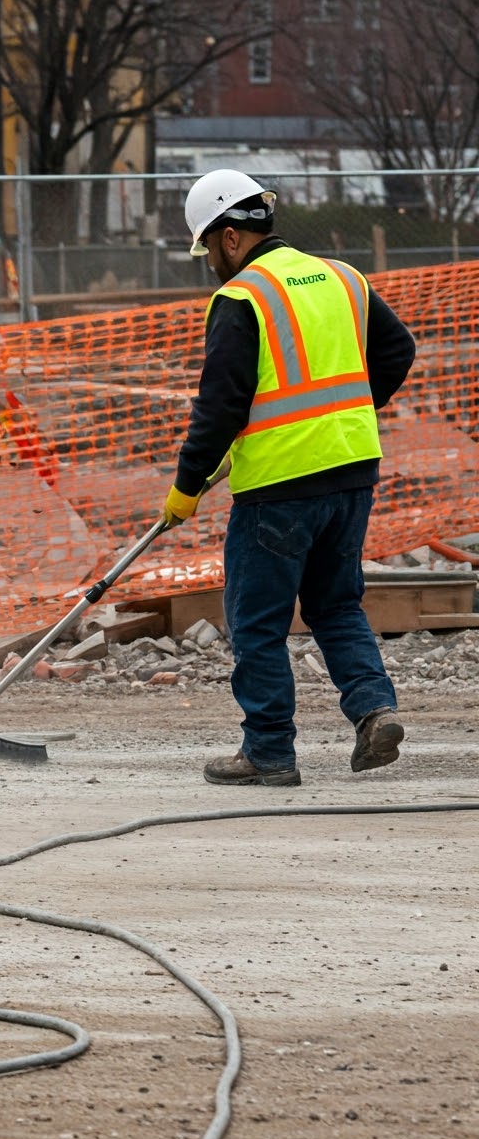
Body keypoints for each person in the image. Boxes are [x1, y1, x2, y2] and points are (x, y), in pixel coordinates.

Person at [162, 169, 415, 787]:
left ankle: (270, 752)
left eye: (207, 251)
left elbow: (219, 404)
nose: (210, 266)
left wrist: (187, 485)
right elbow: (397, 350)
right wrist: (343, 419)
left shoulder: (243, 297)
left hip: (279, 486)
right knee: (335, 603)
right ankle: (374, 710)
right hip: (353, 469)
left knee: (256, 620)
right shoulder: (342, 276)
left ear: (227, 239)